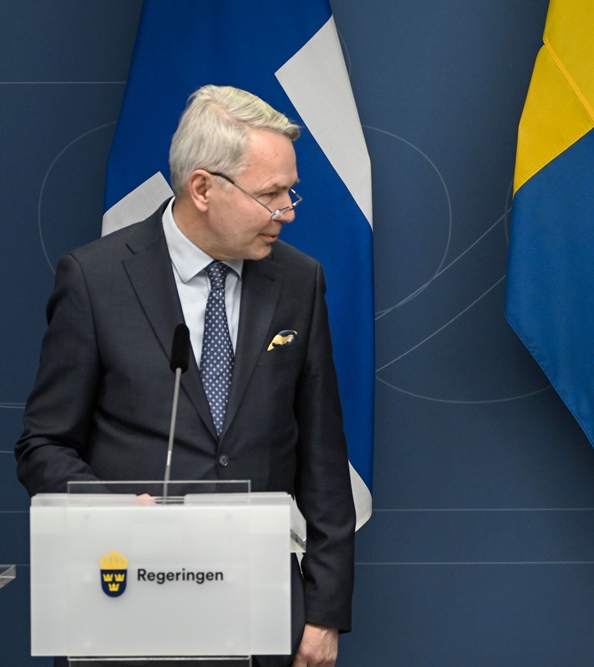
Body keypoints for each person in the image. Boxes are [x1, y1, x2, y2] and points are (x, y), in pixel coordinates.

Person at [15, 85, 355, 667]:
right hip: (125, 602)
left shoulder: (300, 283)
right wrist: (112, 508)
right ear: (203, 188)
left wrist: (324, 615)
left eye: (289, 191)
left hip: (260, 611)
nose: (288, 212)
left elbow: (323, 461)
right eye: (271, 194)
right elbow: (42, 445)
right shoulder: (95, 280)